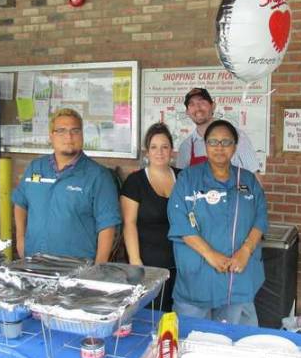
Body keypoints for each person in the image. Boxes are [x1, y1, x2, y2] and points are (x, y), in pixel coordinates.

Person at [168, 119, 268, 325]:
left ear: (235, 147)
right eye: (213, 142)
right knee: (192, 341)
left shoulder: (248, 180)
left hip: (237, 276)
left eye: (226, 142)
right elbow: (180, 223)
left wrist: (245, 251)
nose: (219, 148)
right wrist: (210, 254)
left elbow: (261, 217)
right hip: (197, 278)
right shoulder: (187, 179)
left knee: (235, 344)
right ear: (206, 146)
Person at [12, 108, 121, 262]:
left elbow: (107, 226)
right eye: (61, 131)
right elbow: (20, 202)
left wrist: (98, 269)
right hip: (34, 262)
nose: (68, 137)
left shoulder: (99, 176)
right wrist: (20, 238)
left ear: (82, 135)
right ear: (51, 135)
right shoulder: (35, 168)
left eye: (75, 131)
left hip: (76, 268)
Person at [120, 123, 180, 311]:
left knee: (176, 317)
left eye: (165, 147)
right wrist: (136, 262)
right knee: (152, 317)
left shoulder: (183, 178)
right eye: (154, 147)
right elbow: (129, 224)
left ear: (172, 150)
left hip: (180, 264)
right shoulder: (135, 182)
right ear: (147, 152)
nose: (160, 152)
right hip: (149, 267)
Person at [176, 87, 261, 173]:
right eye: (192, 104)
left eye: (202, 102)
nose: (197, 108)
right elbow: (181, 181)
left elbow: (255, 177)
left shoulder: (237, 136)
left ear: (213, 106)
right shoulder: (185, 147)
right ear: (187, 112)